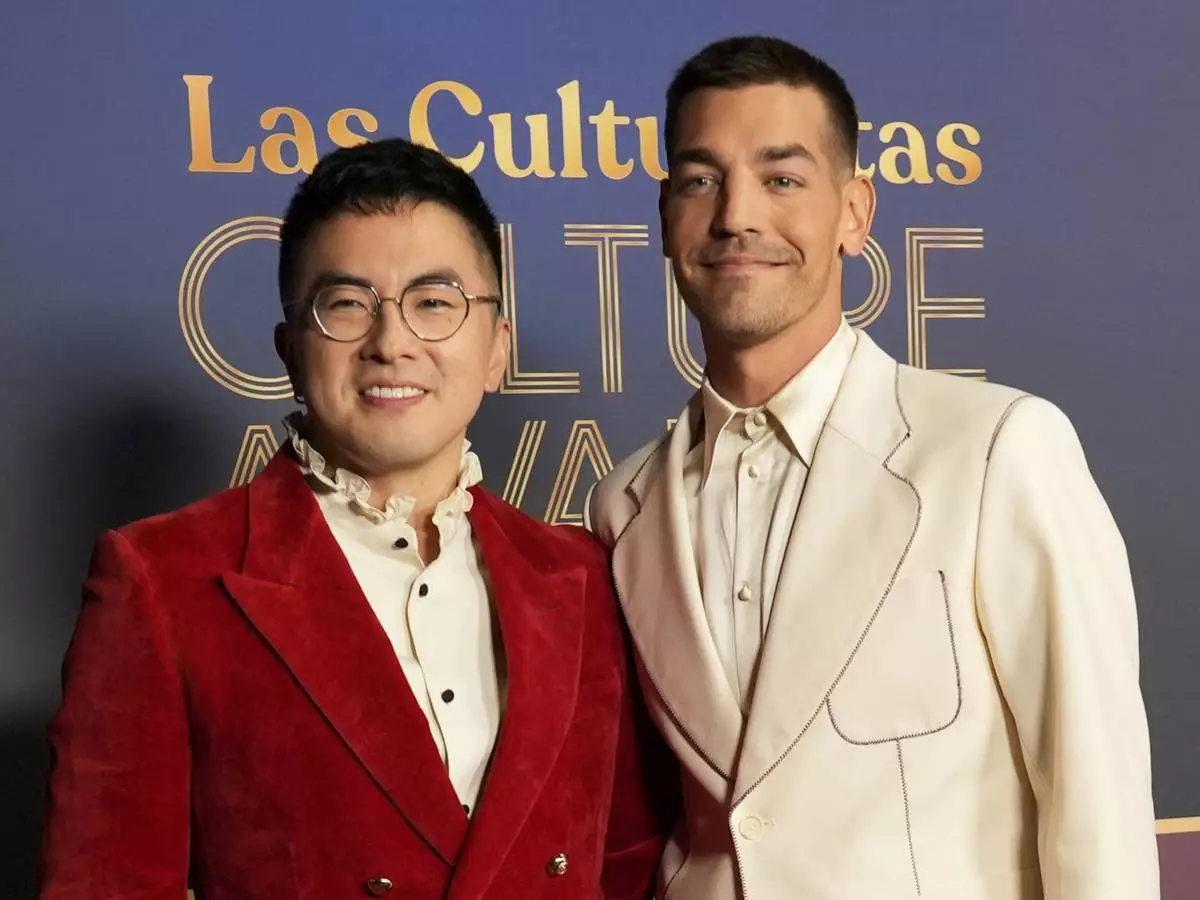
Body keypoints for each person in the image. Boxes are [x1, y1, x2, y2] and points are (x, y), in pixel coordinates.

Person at [585, 35, 1160, 900]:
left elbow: (1097, 804)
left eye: (782, 179)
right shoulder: (622, 506)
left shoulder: (997, 449)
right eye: (702, 180)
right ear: (666, 216)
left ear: (854, 213)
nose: (737, 215)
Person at [41, 137, 675, 900]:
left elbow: (630, 865)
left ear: (497, 347)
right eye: (346, 304)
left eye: (434, 303)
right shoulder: (163, 580)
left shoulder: (582, 574)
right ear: (290, 349)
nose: (392, 344)